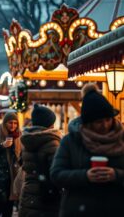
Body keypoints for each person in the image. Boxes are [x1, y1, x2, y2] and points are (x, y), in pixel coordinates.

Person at [50, 83, 124, 217]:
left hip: (116, 209)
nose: (105, 125)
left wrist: (116, 175)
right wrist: (85, 176)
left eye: (108, 119)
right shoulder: (71, 141)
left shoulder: (121, 139)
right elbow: (56, 174)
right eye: (99, 122)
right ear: (88, 123)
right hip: (78, 210)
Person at [18, 104, 62, 217]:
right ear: (50, 124)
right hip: (47, 194)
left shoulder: (26, 140)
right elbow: (56, 173)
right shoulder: (52, 143)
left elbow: (21, 163)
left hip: (29, 193)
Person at [0, 112, 22, 217]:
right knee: (1, 201)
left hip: (12, 175)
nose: (13, 125)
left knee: (9, 203)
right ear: (5, 123)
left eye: (15, 123)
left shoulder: (19, 136)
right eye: (10, 123)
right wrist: (2, 145)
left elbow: (21, 155)